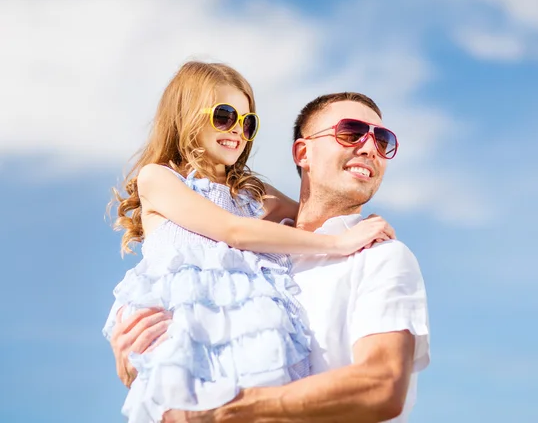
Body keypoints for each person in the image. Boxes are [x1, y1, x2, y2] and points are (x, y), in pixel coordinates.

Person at [110, 90, 430, 422]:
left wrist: (225, 411)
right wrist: (143, 372)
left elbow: (380, 385)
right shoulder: (237, 262)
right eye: (350, 133)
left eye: (383, 140)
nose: (368, 147)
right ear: (303, 152)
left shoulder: (379, 256)